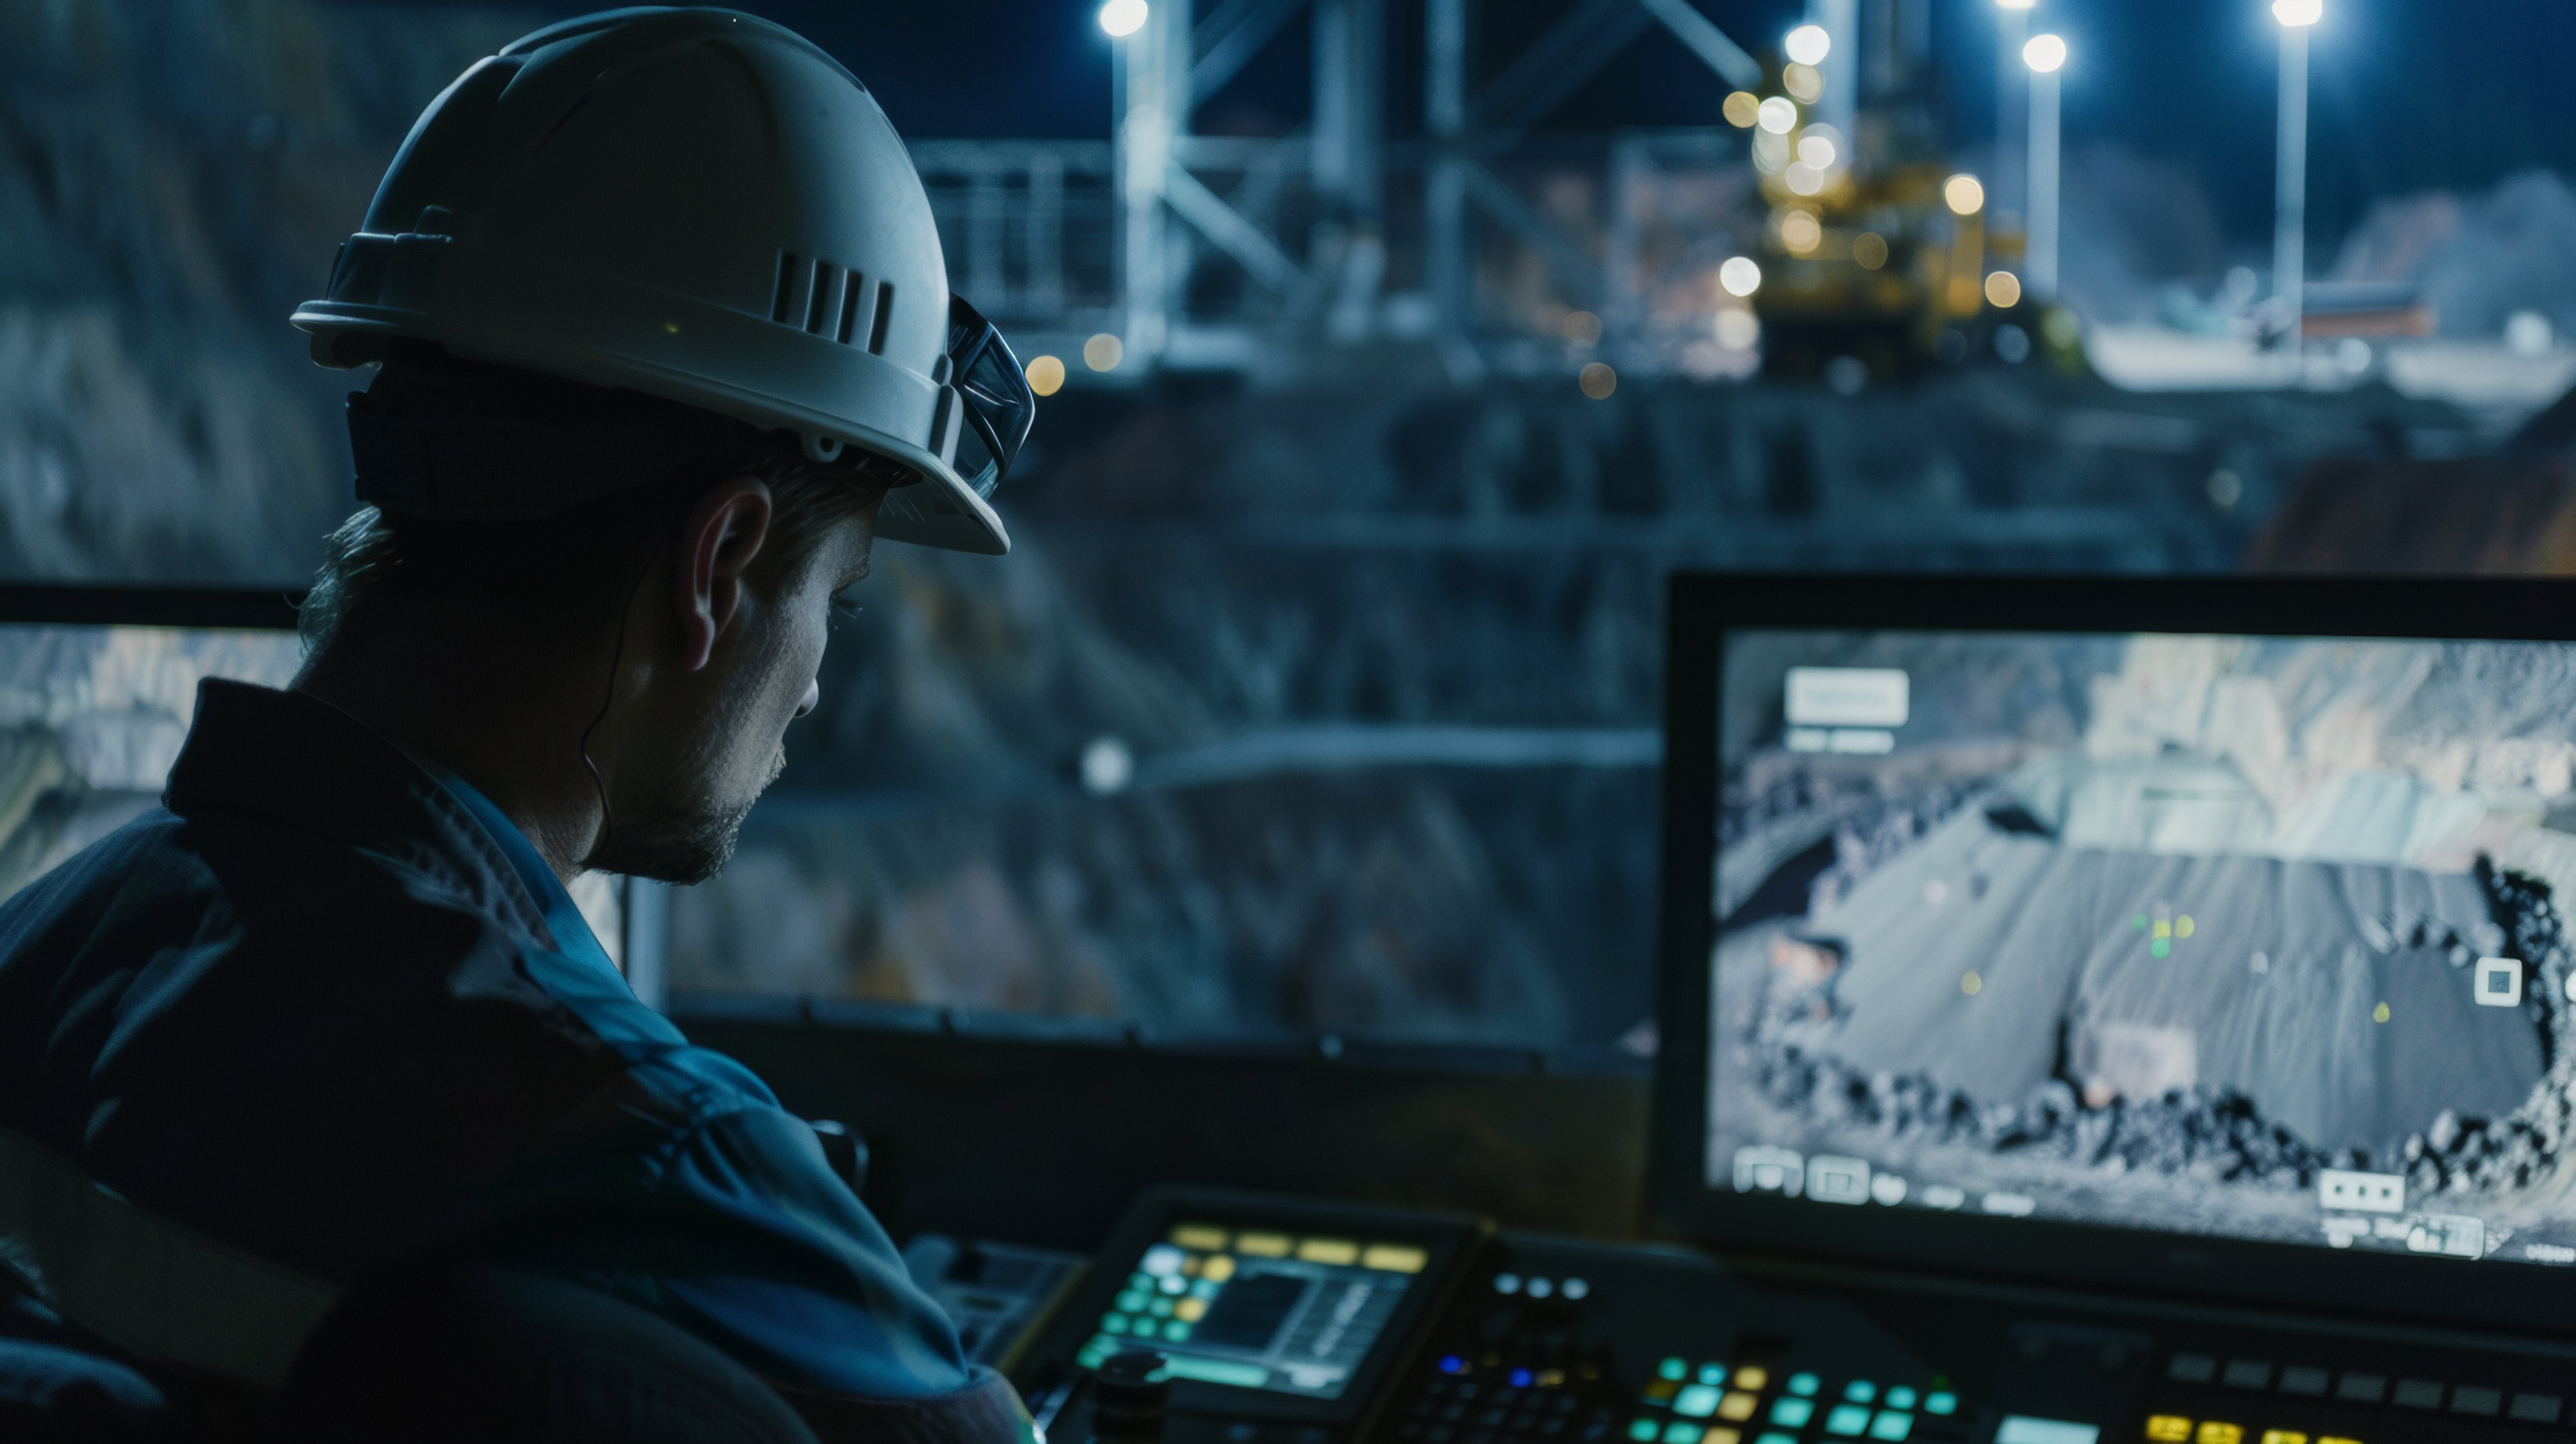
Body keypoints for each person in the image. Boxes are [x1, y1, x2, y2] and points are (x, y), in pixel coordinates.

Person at [0, 9, 1036, 1440]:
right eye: (836, 600)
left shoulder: (47, 950)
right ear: (719, 561)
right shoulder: (653, 1154)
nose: (809, 680)